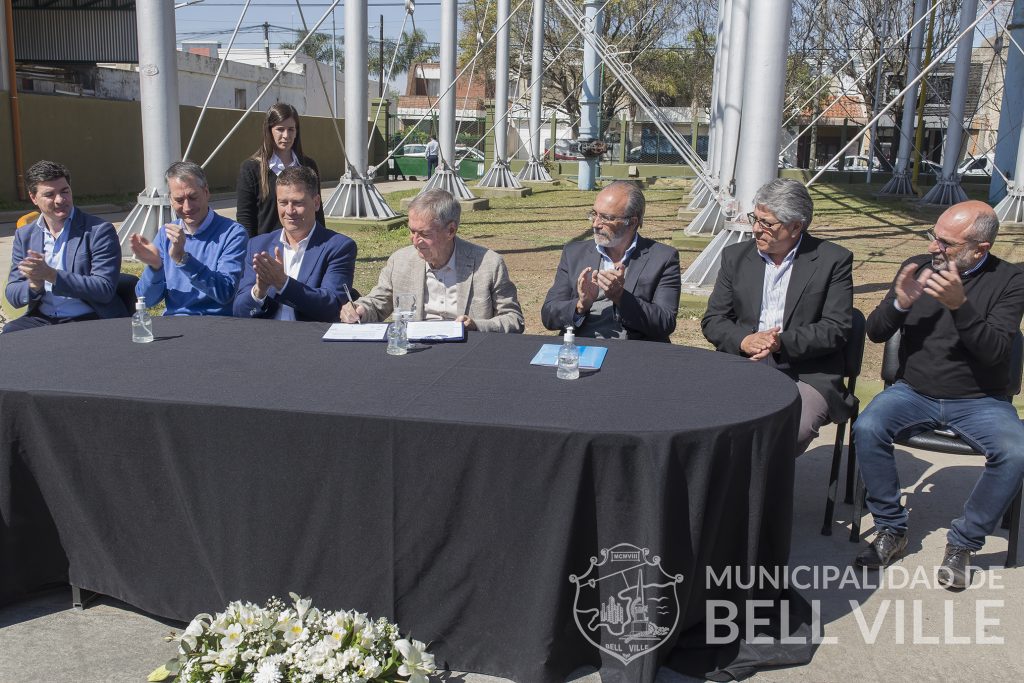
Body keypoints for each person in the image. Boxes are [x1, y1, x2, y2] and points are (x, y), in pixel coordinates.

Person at [852, 200, 1024, 589]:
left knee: (1015, 451)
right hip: (914, 391)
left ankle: (964, 543)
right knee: (868, 426)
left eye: (945, 243)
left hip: (981, 399)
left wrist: (959, 306)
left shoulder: (1011, 280)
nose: (934, 248)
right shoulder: (919, 266)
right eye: (933, 236)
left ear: (979, 248)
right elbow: (876, 332)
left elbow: (997, 352)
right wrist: (900, 303)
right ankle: (891, 529)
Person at [701, 178, 855, 454]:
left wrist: (780, 343)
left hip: (806, 371)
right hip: (742, 363)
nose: (756, 229)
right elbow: (714, 319)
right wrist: (745, 340)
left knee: (790, 432)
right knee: (709, 422)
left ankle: (764, 493)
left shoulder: (832, 260)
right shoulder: (735, 257)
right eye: (755, 218)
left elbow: (836, 328)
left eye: (767, 223)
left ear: (796, 226)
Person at [340, 189, 524, 333]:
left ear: (451, 230)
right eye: (412, 231)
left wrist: (476, 326)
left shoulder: (489, 265)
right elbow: (378, 303)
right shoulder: (401, 261)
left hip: (467, 352)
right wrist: (360, 308)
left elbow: (513, 319)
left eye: (424, 234)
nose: (414, 240)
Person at [541, 180, 680, 342]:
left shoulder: (662, 258)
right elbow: (549, 315)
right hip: (582, 345)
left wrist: (621, 297)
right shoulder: (574, 253)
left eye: (606, 218)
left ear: (632, 222)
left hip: (634, 351)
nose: (596, 224)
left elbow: (665, 322)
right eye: (594, 214)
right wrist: (581, 305)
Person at [3, 160, 125, 333]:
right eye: (50, 194)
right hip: (43, 318)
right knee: (10, 336)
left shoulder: (98, 231)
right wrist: (34, 284)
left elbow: (104, 289)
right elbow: (13, 294)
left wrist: (51, 275)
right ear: (33, 197)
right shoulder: (25, 236)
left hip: (90, 316)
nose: (60, 199)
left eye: (65, 191)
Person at [233, 166, 356, 322]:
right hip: (265, 339)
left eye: (297, 203)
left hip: (311, 340)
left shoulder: (339, 247)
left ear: (316, 202)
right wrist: (259, 291)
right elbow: (239, 311)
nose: (289, 211)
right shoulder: (257, 246)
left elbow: (333, 307)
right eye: (283, 202)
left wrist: (283, 283)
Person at [132, 161, 248, 316]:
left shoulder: (232, 233)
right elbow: (146, 300)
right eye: (179, 200)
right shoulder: (166, 234)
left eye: (193, 197)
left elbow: (225, 292)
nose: (187, 207)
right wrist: (155, 267)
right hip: (175, 324)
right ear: (171, 200)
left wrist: (183, 259)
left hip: (216, 325)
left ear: (206, 192)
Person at [236, 102, 325, 237]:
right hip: (266, 250)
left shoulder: (308, 166)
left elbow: (317, 212)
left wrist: (322, 243)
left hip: (304, 247)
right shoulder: (251, 169)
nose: (286, 135)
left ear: (297, 132)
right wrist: (250, 250)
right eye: (280, 129)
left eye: (291, 129)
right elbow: (245, 217)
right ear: (269, 130)